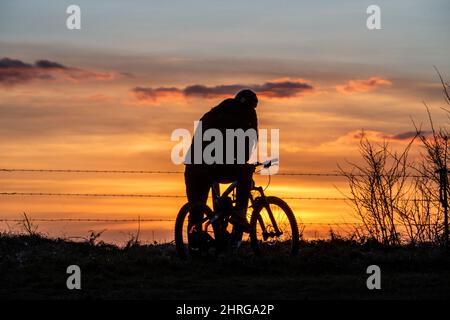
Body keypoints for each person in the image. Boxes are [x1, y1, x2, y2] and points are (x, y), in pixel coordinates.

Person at [184, 89, 258, 242]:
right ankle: (239, 213)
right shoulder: (247, 114)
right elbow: (249, 143)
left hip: (193, 167)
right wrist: (242, 163)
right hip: (216, 166)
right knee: (245, 171)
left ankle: (194, 251)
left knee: (196, 211)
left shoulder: (214, 112)